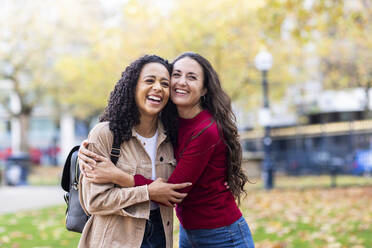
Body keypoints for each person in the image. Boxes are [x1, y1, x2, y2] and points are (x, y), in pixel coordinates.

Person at [79, 52, 255, 247]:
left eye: (191, 77)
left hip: (217, 234)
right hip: (130, 238)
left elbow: (171, 192)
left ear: (205, 88)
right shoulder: (167, 126)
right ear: (133, 86)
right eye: (176, 75)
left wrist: (118, 176)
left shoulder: (189, 132)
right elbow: (94, 200)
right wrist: (83, 154)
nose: (180, 82)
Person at [77, 54, 191, 248]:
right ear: (133, 87)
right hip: (114, 239)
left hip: (160, 236)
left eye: (165, 84)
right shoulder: (106, 134)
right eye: (149, 80)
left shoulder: (172, 137)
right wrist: (147, 192)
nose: (158, 87)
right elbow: (94, 201)